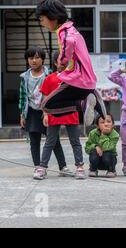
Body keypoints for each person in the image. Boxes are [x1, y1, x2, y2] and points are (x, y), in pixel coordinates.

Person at [36, 0, 106, 129]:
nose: (42, 23)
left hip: (77, 80)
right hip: (86, 82)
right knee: (53, 105)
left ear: (52, 16)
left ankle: (85, 102)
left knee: (46, 105)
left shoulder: (65, 32)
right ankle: (89, 98)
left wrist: (62, 61)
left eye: (42, 19)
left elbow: (69, 42)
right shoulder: (72, 29)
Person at [34, 51, 85, 180]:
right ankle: (42, 167)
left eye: (65, 61)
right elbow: (45, 99)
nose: (62, 64)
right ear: (55, 62)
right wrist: (45, 114)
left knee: (75, 141)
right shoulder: (49, 78)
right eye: (60, 61)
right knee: (50, 142)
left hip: (71, 113)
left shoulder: (75, 78)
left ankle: (79, 167)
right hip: (53, 114)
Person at [18, 47, 67, 179]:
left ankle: (63, 167)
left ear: (43, 60)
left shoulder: (50, 74)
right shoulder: (24, 77)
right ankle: (38, 167)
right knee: (34, 140)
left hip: (48, 111)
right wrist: (22, 114)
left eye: (37, 57)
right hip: (32, 111)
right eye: (31, 58)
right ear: (27, 60)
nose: (34, 60)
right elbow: (23, 96)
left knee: (54, 140)